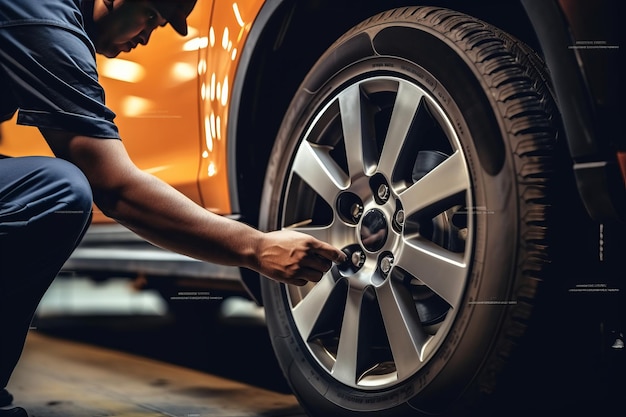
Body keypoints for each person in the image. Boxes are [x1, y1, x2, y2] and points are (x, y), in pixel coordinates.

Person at [0, 1, 346, 415]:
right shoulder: (42, 13)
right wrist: (256, 247)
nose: (151, 34)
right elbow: (115, 187)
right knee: (59, 191)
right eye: (152, 15)